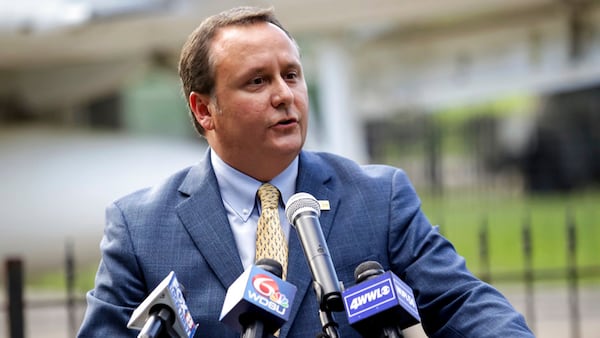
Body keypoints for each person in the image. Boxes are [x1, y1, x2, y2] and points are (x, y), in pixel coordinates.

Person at [78, 6, 534, 338]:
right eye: (257, 81)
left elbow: (462, 303)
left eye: (292, 75)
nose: (284, 95)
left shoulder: (379, 198)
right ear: (204, 110)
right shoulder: (140, 227)